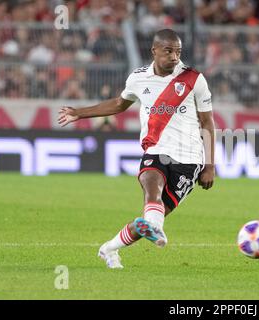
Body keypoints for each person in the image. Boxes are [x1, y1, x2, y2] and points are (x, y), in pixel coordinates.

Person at [58, 29, 216, 269]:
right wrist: (80, 113)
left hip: (189, 159)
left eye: (178, 52)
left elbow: (207, 123)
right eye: (168, 51)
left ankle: (109, 248)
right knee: (152, 188)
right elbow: (120, 104)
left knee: (150, 218)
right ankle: (157, 228)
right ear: (154, 51)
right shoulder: (138, 78)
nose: (174, 57)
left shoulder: (194, 80)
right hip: (155, 150)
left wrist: (210, 165)